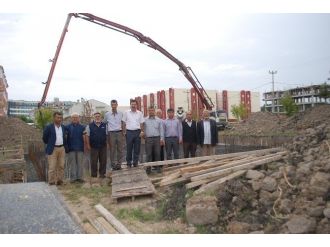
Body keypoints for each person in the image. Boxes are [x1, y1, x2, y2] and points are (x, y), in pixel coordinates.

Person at [42, 111, 67, 185]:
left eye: (60, 118)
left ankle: (60, 181)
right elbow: (44, 138)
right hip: (53, 149)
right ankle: (51, 182)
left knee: (61, 166)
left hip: (62, 149)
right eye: (57, 117)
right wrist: (50, 144)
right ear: (54, 118)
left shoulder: (63, 127)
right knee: (52, 167)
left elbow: (65, 137)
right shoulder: (49, 127)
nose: (59, 119)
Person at [122, 99, 145, 167]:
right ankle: (128, 163)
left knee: (137, 148)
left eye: (134, 104)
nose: (133, 105)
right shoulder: (126, 112)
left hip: (137, 132)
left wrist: (142, 131)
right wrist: (124, 132)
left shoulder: (140, 113)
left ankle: (135, 163)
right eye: (132, 104)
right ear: (130, 105)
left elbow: (141, 123)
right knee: (129, 148)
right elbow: (123, 122)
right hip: (129, 132)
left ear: (136, 105)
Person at [85, 112, 107, 178]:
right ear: (94, 118)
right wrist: (88, 145)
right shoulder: (89, 126)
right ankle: (94, 175)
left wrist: (108, 144)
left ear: (101, 118)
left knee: (103, 161)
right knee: (94, 162)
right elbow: (87, 136)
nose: (97, 117)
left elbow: (107, 135)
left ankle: (102, 174)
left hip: (103, 146)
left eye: (98, 116)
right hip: (93, 146)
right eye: (96, 116)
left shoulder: (105, 125)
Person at [143, 106, 164, 173]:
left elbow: (161, 130)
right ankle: (148, 169)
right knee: (148, 154)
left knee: (157, 153)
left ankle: (158, 168)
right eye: (150, 110)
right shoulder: (145, 120)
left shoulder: (158, 120)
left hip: (157, 139)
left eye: (152, 110)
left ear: (154, 111)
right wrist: (144, 136)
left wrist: (161, 139)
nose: (151, 111)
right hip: (148, 139)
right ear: (148, 111)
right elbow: (143, 129)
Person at [66, 113, 85, 183]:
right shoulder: (67, 127)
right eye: (73, 117)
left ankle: (80, 178)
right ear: (71, 119)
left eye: (76, 117)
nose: (75, 119)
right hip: (71, 148)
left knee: (80, 164)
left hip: (80, 148)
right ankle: (73, 178)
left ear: (79, 118)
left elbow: (85, 138)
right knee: (72, 164)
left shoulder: (82, 127)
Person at [105, 99, 124, 170]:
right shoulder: (107, 114)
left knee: (120, 149)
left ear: (117, 105)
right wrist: (107, 134)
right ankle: (113, 165)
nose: (113, 106)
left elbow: (123, 123)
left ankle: (119, 165)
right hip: (111, 133)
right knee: (112, 150)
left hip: (119, 132)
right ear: (111, 105)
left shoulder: (121, 113)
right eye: (112, 105)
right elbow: (105, 124)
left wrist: (123, 132)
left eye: (115, 105)